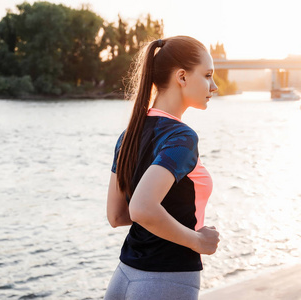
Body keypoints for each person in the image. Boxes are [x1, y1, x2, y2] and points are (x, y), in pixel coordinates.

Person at [104, 35, 220, 300]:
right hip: (166, 280)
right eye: (208, 75)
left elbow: (117, 215)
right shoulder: (182, 137)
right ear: (182, 77)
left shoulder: (128, 135)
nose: (214, 86)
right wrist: (197, 241)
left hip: (124, 277)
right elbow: (141, 208)